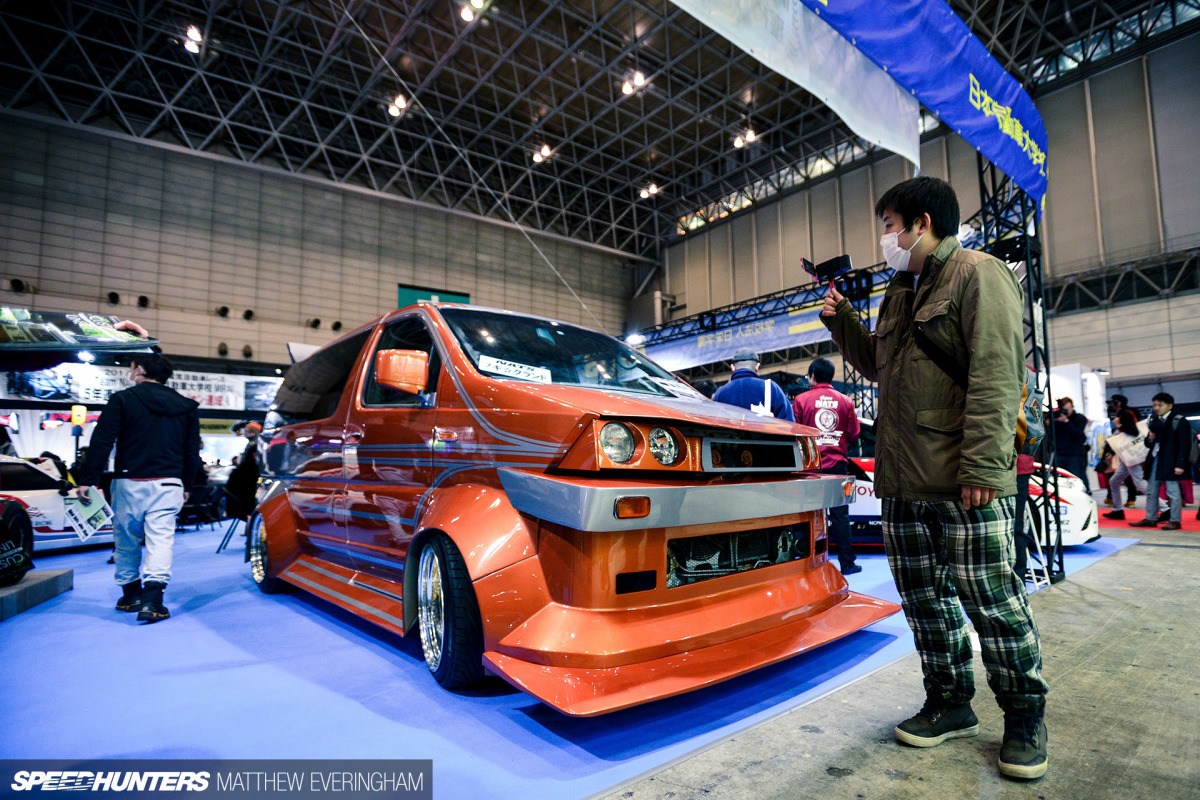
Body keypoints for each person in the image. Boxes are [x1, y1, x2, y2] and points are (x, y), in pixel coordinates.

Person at [821, 176, 1048, 780]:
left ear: (922, 222)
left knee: (992, 602)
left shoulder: (979, 274)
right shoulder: (900, 289)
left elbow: (998, 376)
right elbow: (876, 365)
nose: (886, 237)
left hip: (961, 477)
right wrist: (841, 319)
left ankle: (1025, 714)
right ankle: (950, 703)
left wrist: (980, 464)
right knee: (926, 605)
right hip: (902, 479)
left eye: (891, 224)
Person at [75, 353, 202, 623]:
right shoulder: (187, 406)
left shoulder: (122, 399)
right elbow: (191, 451)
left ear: (140, 370)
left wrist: (87, 479)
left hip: (128, 480)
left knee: (126, 539)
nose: (129, 371)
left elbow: (102, 441)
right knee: (161, 539)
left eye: (131, 367)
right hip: (169, 482)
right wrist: (188, 484)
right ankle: (153, 601)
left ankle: (130, 594)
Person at [792, 358, 861, 575]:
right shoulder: (845, 401)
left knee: (807, 514)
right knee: (840, 515)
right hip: (838, 466)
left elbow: (795, 433)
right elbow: (854, 434)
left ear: (812, 376)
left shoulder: (801, 400)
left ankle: (806, 564)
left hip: (810, 467)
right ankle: (847, 564)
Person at [1129, 393, 1192, 531]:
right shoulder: (1154, 420)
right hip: (1155, 459)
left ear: (1170, 406)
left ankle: (1175, 520)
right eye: (1155, 405)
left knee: (1173, 492)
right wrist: (1150, 438)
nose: (1156, 408)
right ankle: (1150, 518)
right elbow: (1147, 443)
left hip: (1171, 461)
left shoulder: (1179, 421)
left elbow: (1185, 445)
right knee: (1151, 490)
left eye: (1160, 405)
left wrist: (1180, 464)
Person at [711, 348, 794, 421]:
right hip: (765, 438)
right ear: (757, 366)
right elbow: (788, 423)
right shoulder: (771, 388)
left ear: (732, 367)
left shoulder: (720, 393)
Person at [1104, 394, 1146, 519]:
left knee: (1140, 483)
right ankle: (1118, 510)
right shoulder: (1124, 414)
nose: (1110, 405)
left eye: (1112, 403)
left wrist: (1119, 426)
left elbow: (1133, 432)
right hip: (1126, 455)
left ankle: (1164, 509)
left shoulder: (1126, 414)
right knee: (1114, 481)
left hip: (1131, 455)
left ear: (1119, 403)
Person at [1052, 398, 1089, 491]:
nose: (1065, 412)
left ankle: (1084, 493)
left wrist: (1066, 422)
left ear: (1072, 407)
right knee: (1060, 478)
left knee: (1076, 476)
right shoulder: (1057, 419)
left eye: (1067, 410)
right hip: (1060, 452)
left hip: (1074, 453)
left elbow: (1077, 434)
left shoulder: (1080, 418)